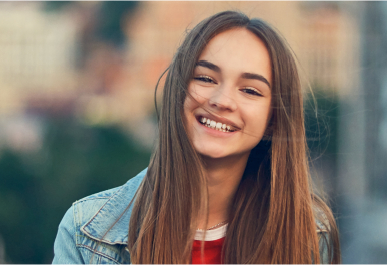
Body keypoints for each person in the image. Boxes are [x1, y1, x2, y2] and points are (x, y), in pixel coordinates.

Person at [52, 10, 341, 264]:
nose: (222, 100)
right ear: (178, 90)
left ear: (272, 120)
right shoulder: (88, 234)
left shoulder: (309, 236)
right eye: (205, 78)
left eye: (250, 90)